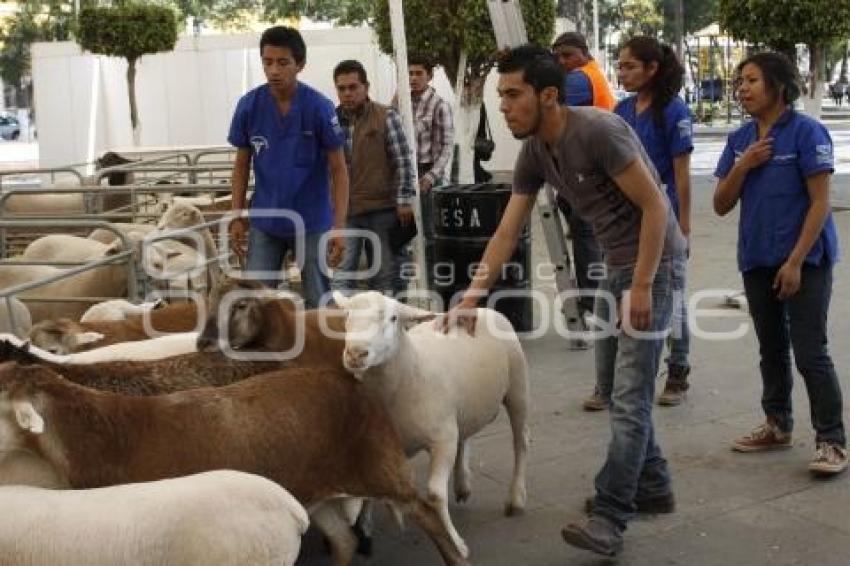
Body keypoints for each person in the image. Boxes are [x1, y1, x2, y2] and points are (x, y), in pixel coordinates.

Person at [441, 45, 686, 557]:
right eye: (500, 95)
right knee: (623, 384)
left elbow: (656, 208)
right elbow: (507, 231)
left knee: (629, 394)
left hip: (653, 262)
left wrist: (642, 285)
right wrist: (470, 297)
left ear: (548, 95)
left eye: (513, 95)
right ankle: (654, 484)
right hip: (614, 266)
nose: (503, 106)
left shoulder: (598, 131)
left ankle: (612, 515)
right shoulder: (534, 152)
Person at [714, 52, 847, 475]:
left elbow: (820, 203)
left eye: (751, 80)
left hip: (805, 261)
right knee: (771, 349)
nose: (742, 89)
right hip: (756, 258)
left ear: (777, 85)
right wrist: (743, 164)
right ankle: (777, 424)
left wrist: (794, 262)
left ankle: (832, 440)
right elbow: (720, 204)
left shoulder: (807, 132)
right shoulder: (740, 139)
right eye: (739, 82)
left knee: (810, 352)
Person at [227, 26, 348, 308]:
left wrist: (339, 226)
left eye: (283, 62)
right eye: (267, 62)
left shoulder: (319, 108)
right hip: (265, 221)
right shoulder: (248, 106)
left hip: (311, 222)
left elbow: (339, 170)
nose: (274, 71)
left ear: (300, 65)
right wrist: (236, 214)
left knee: (318, 298)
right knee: (254, 299)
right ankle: (261, 353)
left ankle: (322, 349)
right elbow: (241, 165)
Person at [607, 36, 694, 407]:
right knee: (628, 295)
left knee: (671, 297)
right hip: (628, 225)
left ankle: (678, 368)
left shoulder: (674, 112)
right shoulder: (621, 111)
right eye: (620, 65)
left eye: (629, 66)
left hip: (665, 221)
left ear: (651, 69)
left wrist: (685, 227)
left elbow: (683, 175)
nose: (621, 72)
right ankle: (623, 375)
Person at [331, 60, 416, 294]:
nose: (347, 93)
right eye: (342, 88)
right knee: (340, 278)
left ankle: (391, 327)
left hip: (383, 210)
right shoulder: (329, 122)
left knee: (385, 279)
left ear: (366, 87)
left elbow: (403, 161)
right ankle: (341, 329)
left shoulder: (386, 116)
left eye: (353, 87)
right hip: (346, 212)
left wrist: (403, 200)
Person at [551, 31, 609, 331]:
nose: (562, 62)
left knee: (586, 236)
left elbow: (552, 112)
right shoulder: (592, 73)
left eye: (567, 55)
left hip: (586, 168)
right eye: (557, 56)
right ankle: (595, 297)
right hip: (588, 165)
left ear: (583, 52)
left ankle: (591, 301)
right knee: (589, 236)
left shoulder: (578, 79)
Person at [394, 54, 455, 295]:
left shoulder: (439, 105)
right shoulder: (403, 102)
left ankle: (433, 287)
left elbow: (446, 146)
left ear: (429, 75)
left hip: (427, 172)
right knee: (401, 232)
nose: (413, 78)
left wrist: (430, 177)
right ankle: (404, 286)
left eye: (418, 73)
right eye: (409, 73)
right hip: (403, 172)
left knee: (430, 235)